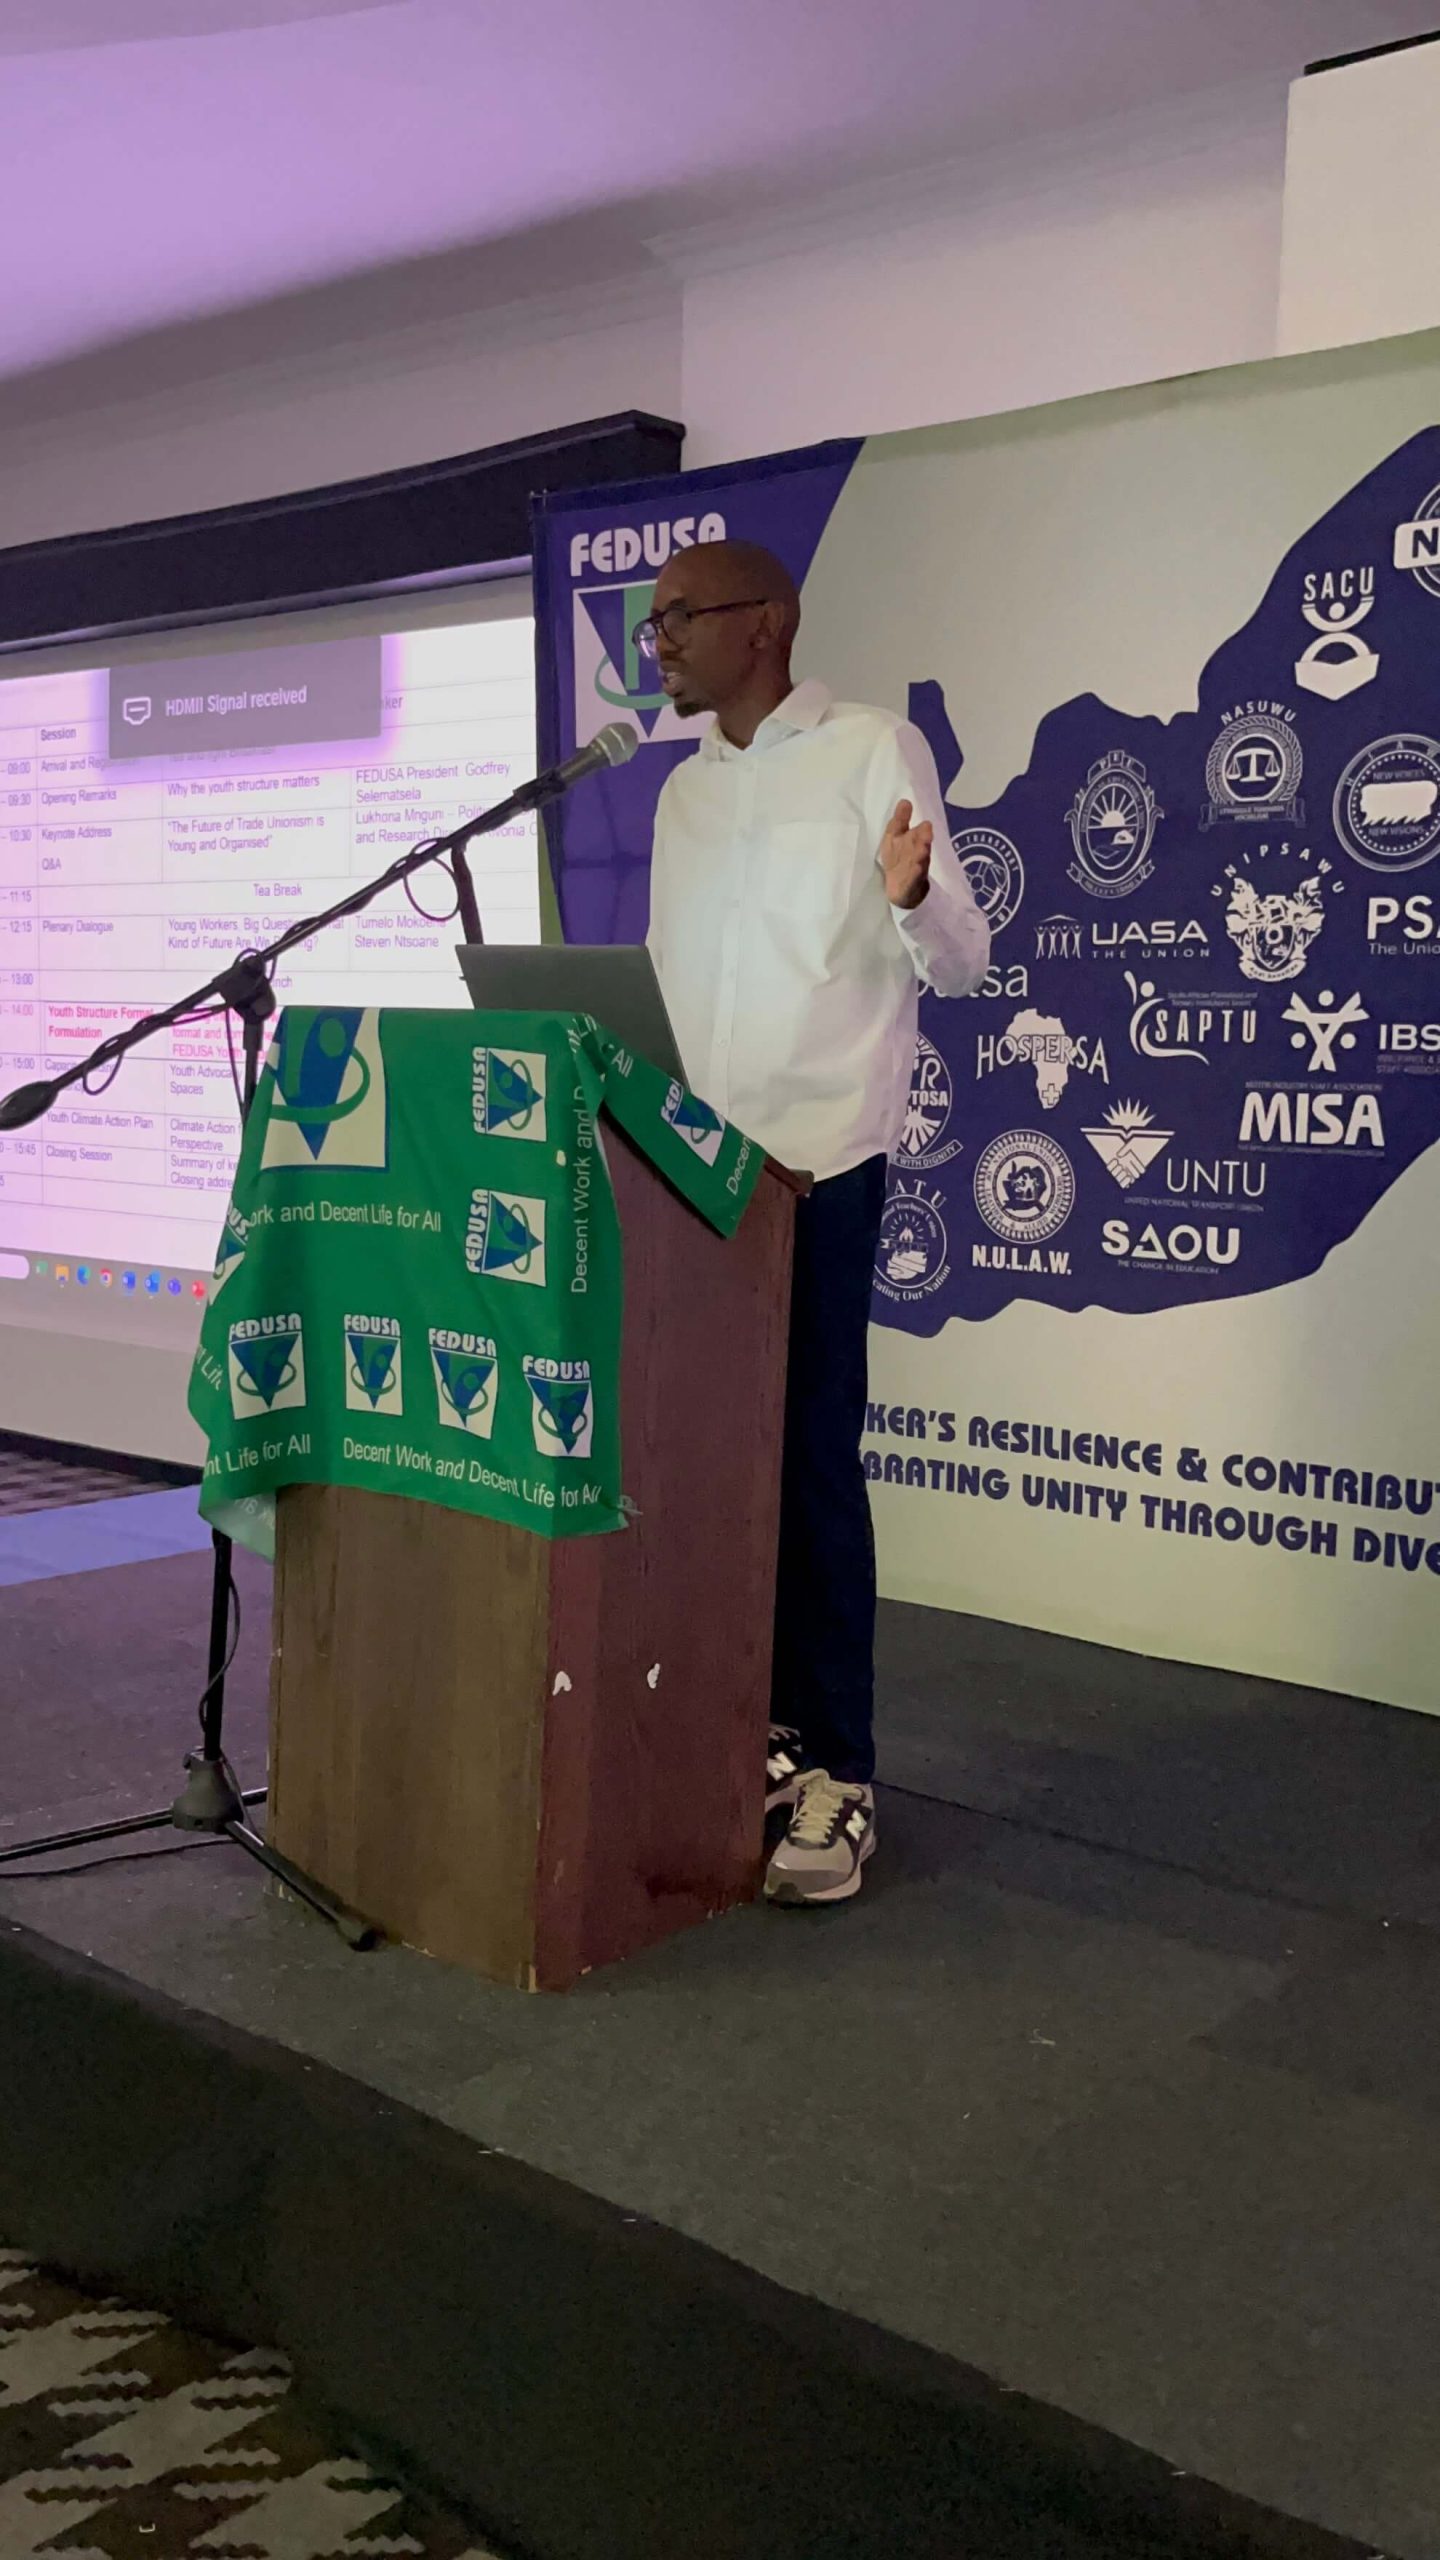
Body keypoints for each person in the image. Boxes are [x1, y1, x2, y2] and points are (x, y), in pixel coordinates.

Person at [641, 538, 990, 1905]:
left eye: (681, 616)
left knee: (807, 1465)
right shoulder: (682, 792)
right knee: (701, 1468)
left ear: (765, 625)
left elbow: (962, 960)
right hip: (684, 1169)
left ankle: (839, 1769)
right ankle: (742, 1735)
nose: (659, 642)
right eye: (654, 621)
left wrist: (912, 894)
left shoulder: (869, 749)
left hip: (818, 1167)